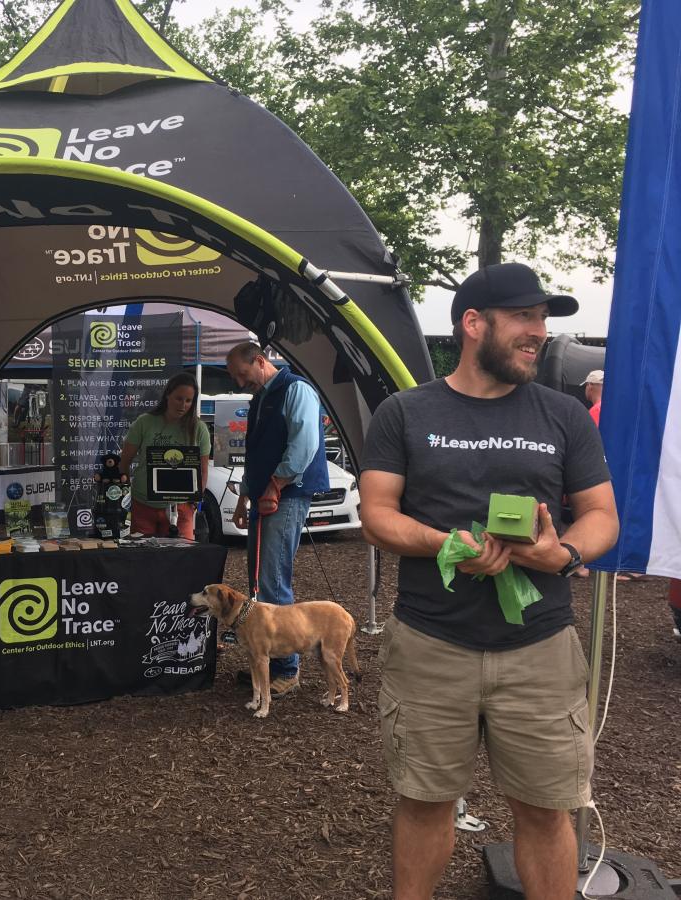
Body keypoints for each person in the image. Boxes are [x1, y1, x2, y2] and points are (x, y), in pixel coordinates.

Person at [359, 261, 619, 900]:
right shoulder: (404, 412)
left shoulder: (562, 415)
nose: (539, 332)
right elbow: (376, 515)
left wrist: (560, 555)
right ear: (473, 324)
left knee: (543, 810)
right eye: (525, 317)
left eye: (543, 320)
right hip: (429, 644)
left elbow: (602, 517)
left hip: (540, 650)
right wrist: (444, 543)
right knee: (425, 803)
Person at [224, 342, 328, 695]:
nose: (240, 383)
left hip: (285, 494)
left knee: (272, 579)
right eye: (236, 377)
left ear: (260, 360)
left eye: (242, 374)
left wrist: (276, 483)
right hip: (267, 494)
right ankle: (264, 661)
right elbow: (255, 455)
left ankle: (287, 668)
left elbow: (304, 443)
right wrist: (244, 497)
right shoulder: (262, 397)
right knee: (257, 579)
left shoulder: (295, 389)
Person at [118, 372, 211, 539]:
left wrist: (195, 500)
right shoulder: (144, 422)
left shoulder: (199, 429)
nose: (183, 405)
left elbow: (203, 471)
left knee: (181, 560)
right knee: (143, 559)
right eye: (179, 398)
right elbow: (124, 462)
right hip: (143, 505)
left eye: (188, 401)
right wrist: (126, 496)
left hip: (181, 508)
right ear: (168, 395)